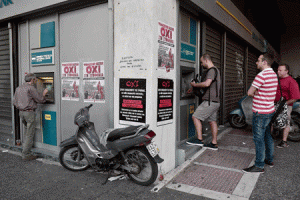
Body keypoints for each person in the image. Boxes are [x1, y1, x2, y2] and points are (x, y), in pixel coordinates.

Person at [242, 53, 278, 173]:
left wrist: (256, 93)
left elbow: (249, 92)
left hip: (260, 112)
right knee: (267, 136)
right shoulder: (273, 74)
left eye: (258, 60)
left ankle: (259, 165)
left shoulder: (261, 75)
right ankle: (269, 159)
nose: (256, 62)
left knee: (258, 139)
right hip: (269, 110)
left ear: (264, 62)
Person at [186, 54, 221, 150]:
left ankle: (199, 140)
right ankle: (214, 143)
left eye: (202, 62)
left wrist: (195, 84)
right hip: (216, 101)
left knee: (195, 117)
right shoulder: (216, 70)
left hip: (209, 101)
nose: (201, 64)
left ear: (206, 60)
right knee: (212, 121)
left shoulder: (211, 71)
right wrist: (193, 89)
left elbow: (207, 84)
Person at [13, 73, 48, 161]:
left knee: (26, 131)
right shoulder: (31, 88)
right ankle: (26, 154)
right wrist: (44, 94)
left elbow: (14, 101)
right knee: (29, 134)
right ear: (32, 80)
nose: (36, 81)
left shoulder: (18, 88)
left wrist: (21, 106)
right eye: (35, 79)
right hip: (29, 113)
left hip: (21, 113)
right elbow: (40, 99)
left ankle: (26, 149)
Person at [275, 64, 300, 148]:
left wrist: (284, 104)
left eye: (280, 70)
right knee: (272, 120)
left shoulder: (292, 81)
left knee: (286, 122)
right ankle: (271, 137)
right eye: (278, 70)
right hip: (275, 104)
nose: (278, 71)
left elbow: (296, 97)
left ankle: (284, 142)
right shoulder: (278, 79)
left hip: (285, 105)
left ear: (286, 71)